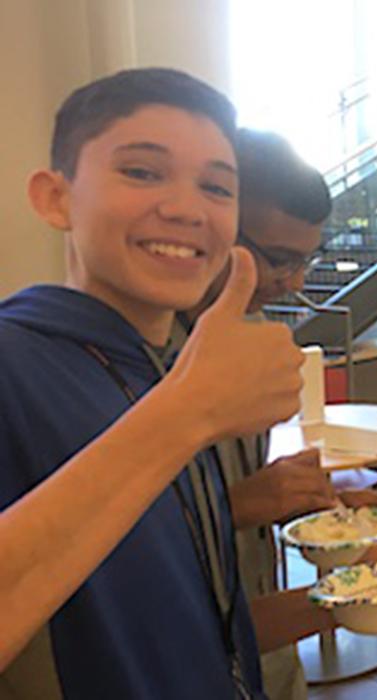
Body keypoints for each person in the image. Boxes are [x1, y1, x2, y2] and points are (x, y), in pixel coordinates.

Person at [0, 68, 304, 695]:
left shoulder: (161, 368)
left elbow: (195, 624)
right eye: (141, 172)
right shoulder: (14, 360)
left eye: (217, 188)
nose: (187, 209)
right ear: (55, 198)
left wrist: (358, 593)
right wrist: (188, 412)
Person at [185, 128, 377, 700]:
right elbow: (128, 573)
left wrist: (326, 514)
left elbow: (232, 506)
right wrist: (241, 506)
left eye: (305, 260)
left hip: (264, 660)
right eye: (279, 260)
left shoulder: (250, 338)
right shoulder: (97, 369)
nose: (294, 282)